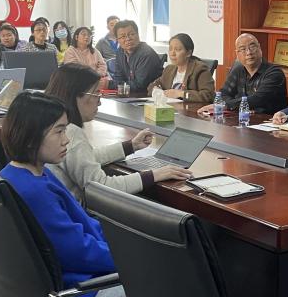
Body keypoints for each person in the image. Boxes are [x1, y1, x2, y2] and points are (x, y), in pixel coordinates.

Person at [0, 92, 122, 297]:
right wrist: (132, 260)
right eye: (59, 131)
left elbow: (82, 226)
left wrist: (123, 244)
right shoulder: (35, 192)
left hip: (62, 284)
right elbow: (79, 253)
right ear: (30, 137)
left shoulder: (17, 173)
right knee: (168, 284)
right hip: (79, 293)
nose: (66, 140)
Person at [46, 63, 190, 199]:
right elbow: (101, 186)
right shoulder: (70, 133)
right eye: (96, 94)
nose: (100, 102)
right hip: (78, 213)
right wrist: (155, 174)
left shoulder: (51, 125)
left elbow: (85, 157)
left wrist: (131, 146)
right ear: (76, 96)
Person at [198, 33, 287, 115]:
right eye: (243, 49)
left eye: (252, 47)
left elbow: (259, 99)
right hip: (242, 119)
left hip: (269, 121)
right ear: (237, 54)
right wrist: (238, 106)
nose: (249, 52)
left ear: (259, 48)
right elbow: (223, 95)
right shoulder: (238, 70)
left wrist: (229, 105)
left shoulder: (274, 73)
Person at [147, 32, 214, 103]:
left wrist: (181, 94)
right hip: (170, 107)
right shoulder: (169, 69)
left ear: (188, 53)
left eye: (177, 49)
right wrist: (156, 90)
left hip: (190, 109)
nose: (172, 53)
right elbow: (152, 86)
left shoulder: (199, 69)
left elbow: (208, 95)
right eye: (170, 49)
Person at [111, 20, 162, 94]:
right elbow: (118, 77)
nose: (128, 39)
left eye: (131, 34)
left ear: (138, 34)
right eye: (123, 36)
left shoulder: (146, 54)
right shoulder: (120, 52)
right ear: (117, 40)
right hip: (130, 94)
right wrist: (116, 85)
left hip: (148, 95)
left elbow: (140, 85)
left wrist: (110, 84)